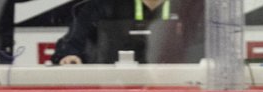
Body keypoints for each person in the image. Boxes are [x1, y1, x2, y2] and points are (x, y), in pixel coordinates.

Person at [50, 0, 204, 65]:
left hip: (177, 89)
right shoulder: (103, 5)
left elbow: (205, 47)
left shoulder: (192, 5)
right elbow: (69, 47)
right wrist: (69, 56)